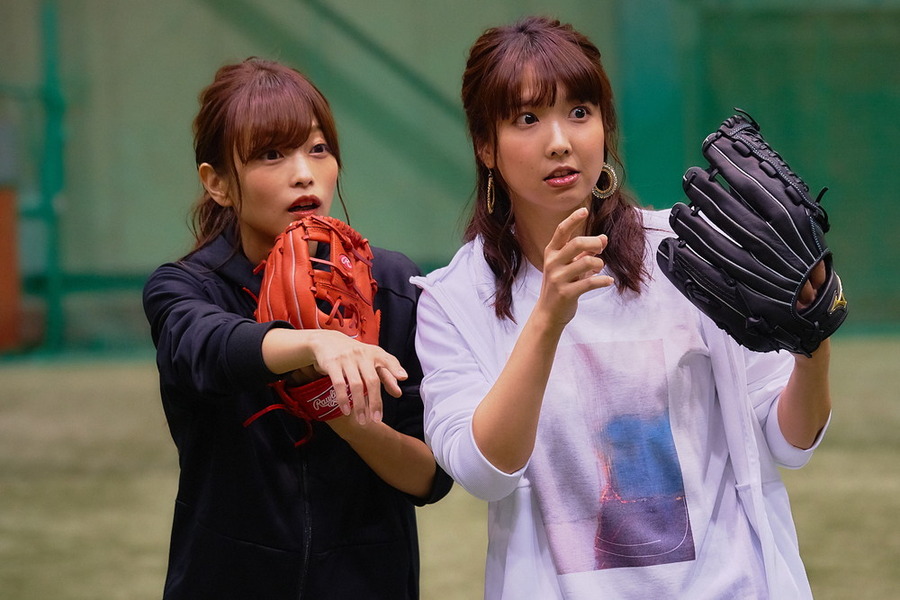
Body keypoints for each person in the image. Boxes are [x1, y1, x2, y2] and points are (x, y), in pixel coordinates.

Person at [413, 16, 833, 599]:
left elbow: (791, 442)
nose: (559, 141)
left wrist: (812, 344)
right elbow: (484, 473)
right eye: (527, 119)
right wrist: (546, 320)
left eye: (579, 112)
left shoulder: (689, 254)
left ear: (604, 127)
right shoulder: (453, 299)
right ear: (486, 145)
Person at [143, 57, 452, 599]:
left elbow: (430, 478)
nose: (304, 173)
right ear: (217, 183)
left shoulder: (394, 285)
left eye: (318, 148)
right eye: (271, 154)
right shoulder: (186, 287)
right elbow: (205, 347)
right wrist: (314, 342)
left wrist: (344, 416)